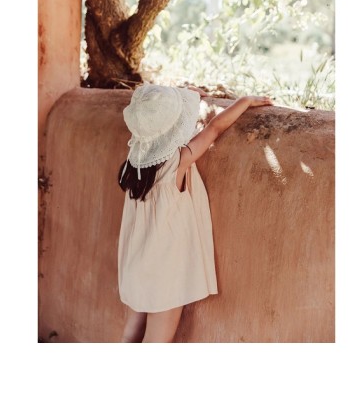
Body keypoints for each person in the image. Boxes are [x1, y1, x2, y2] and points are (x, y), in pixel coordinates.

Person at [117, 83, 273, 342]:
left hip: (137, 263)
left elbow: (155, 116)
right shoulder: (176, 162)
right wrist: (244, 101)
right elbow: (215, 128)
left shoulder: (133, 164)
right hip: (165, 271)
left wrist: (185, 94)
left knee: (130, 336)